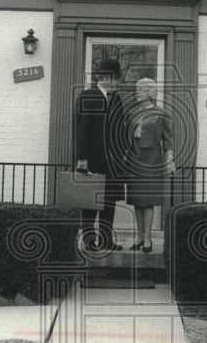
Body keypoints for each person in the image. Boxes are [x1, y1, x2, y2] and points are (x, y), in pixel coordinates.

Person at [74, 59, 129, 251]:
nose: (118, 83)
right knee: (90, 201)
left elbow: (121, 129)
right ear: (106, 77)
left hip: (113, 163)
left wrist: (123, 153)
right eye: (116, 79)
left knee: (109, 201)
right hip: (93, 161)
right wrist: (82, 159)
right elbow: (82, 131)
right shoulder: (87, 96)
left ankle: (106, 240)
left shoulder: (117, 99)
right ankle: (89, 241)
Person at [124, 77, 175, 253]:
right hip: (134, 158)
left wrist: (169, 160)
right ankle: (139, 237)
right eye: (137, 89)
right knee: (137, 201)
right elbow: (125, 137)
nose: (137, 92)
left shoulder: (161, 113)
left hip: (152, 159)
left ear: (149, 93)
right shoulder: (132, 113)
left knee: (148, 201)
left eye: (140, 90)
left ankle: (148, 239)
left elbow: (168, 140)